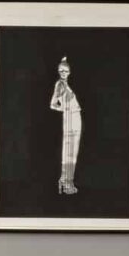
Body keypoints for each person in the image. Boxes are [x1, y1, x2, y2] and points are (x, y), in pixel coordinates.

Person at [48, 56, 82, 195]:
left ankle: (67, 180)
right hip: (70, 118)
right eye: (61, 70)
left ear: (69, 72)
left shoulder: (66, 85)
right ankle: (66, 183)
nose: (63, 73)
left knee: (73, 151)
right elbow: (52, 104)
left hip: (75, 116)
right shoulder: (60, 85)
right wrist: (62, 109)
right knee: (69, 150)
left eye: (65, 70)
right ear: (58, 71)